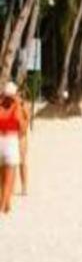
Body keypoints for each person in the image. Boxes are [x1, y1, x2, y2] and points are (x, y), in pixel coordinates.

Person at [0, 82, 25, 214]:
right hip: (10, 141)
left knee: (3, 177)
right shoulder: (17, 107)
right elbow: (22, 129)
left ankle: (5, 203)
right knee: (8, 178)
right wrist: (19, 105)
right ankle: (3, 205)